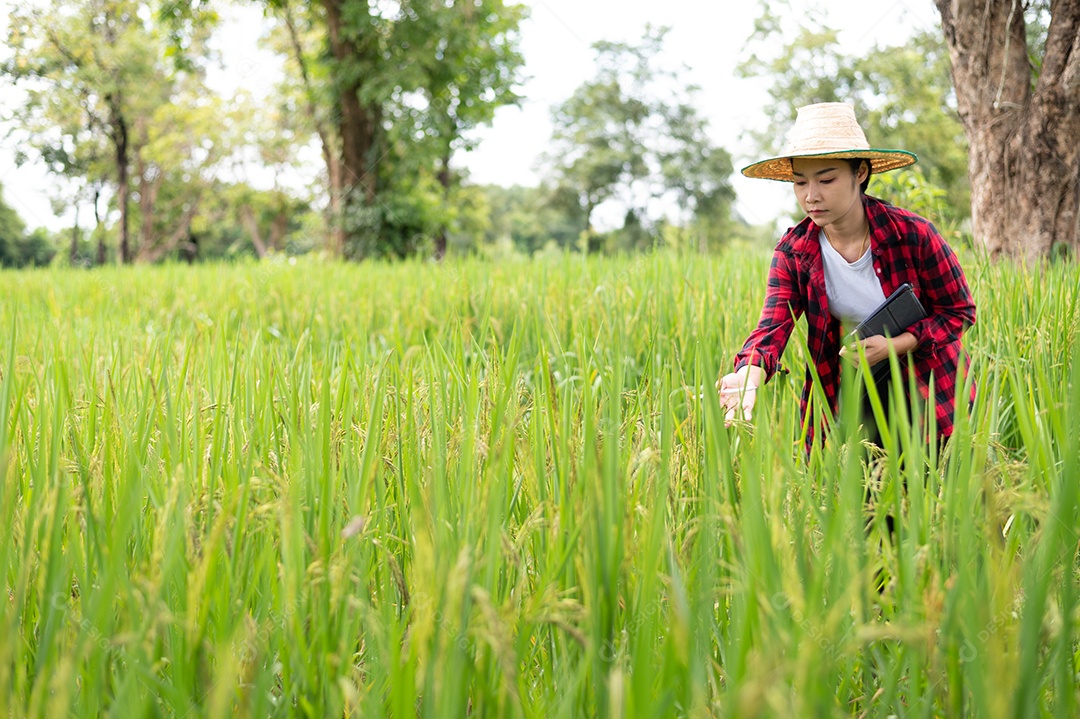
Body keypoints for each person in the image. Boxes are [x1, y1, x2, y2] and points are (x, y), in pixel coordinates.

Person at [717, 102, 975, 446]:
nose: (811, 196)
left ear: (860, 173)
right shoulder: (794, 253)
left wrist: (895, 345)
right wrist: (749, 372)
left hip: (930, 393)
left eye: (826, 179)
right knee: (853, 496)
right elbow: (772, 328)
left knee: (931, 494)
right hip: (849, 396)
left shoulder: (913, 234)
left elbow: (959, 312)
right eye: (799, 182)